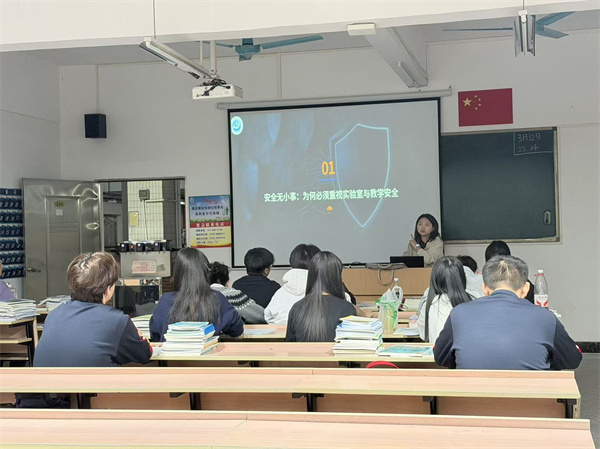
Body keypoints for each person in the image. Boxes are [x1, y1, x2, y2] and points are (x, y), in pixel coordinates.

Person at [434, 255, 582, 370]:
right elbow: (572, 360)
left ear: (484, 289)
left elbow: (440, 357)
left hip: (468, 400)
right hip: (531, 400)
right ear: (526, 289)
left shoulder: (458, 313)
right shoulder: (546, 317)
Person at [34, 252, 152, 367]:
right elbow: (144, 354)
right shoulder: (117, 320)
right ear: (108, 289)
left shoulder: (54, 315)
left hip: (44, 380)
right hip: (94, 380)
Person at [150, 248, 244, 342]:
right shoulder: (217, 298)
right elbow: (239, 333)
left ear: (177, 273)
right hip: (208, 351)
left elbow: (155, 336)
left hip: (170, 351)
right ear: (205, 272)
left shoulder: (165, 301)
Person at [285, 251, 357, 342]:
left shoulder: (296, 308)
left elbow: (289, 344)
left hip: (303, 352)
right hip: (335, 352)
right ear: (337, 277)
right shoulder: (347, 308)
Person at [417, 256, 472, 343]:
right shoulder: (474, 300)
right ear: (462, 277)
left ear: (435, 279)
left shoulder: (430, 303)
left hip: (437, 351)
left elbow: (422, 334)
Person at [264, 243, 321, 325]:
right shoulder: (326, 291)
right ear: (320, 264)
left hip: (282, 332)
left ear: (292, 261)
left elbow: (268, 316)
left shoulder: (281, 292)